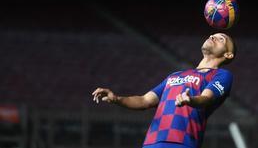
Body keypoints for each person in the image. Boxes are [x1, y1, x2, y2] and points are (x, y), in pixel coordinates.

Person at [92, 32, 236, 148]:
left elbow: (207, 98)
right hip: (152, 142)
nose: (212, 37)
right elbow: (144, 100)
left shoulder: (222, 75)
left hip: (182, 142)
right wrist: (117, 99)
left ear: (228, 55)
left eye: (221, 39)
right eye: (213, 35)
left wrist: (191, 100)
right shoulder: (175, 75)